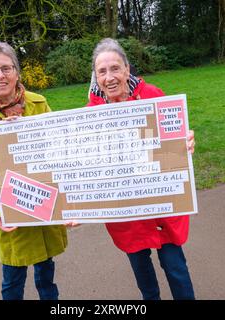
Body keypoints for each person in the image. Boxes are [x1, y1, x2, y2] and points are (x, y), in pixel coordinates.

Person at [87, 38, 195, 300]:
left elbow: (173, 138)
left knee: (175, 266)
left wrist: (186, 141)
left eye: (115, 69)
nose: (110, 77)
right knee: (142, 271)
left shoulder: (153, 95)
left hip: (161, 204)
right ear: (96, 76)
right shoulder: (90, 114)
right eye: (102, 71)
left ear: (127, 69)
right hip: (127, 211)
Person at [0, 42, 67, 300]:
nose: (0, 75)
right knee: (12, 282)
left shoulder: (38, 104)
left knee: (46, 279)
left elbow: (61, 154)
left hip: (42, 210)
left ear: (17, 72)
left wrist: (29, 130)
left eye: (6, 68)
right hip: (10, 217)